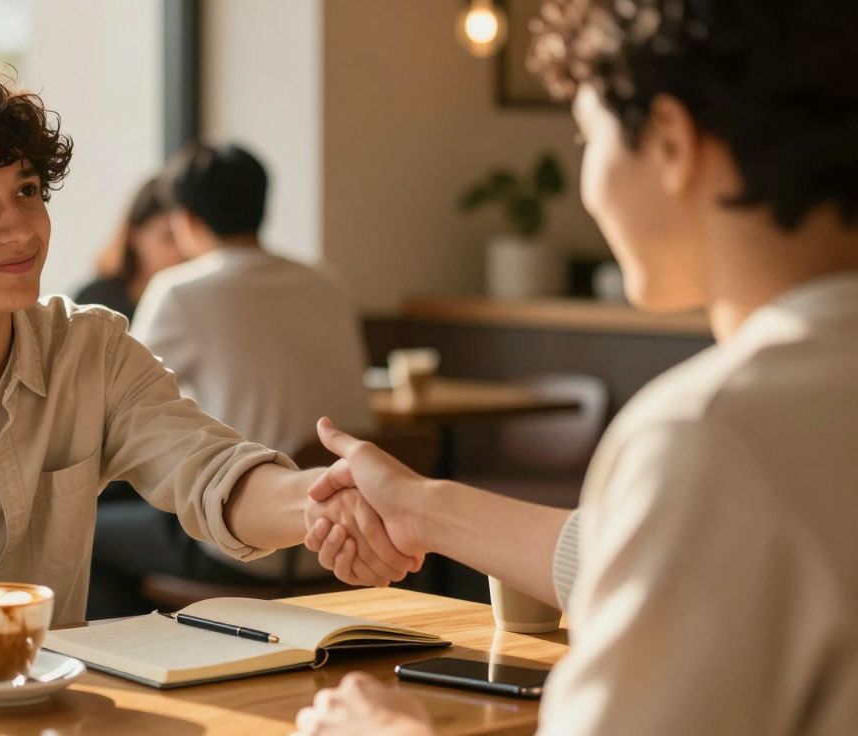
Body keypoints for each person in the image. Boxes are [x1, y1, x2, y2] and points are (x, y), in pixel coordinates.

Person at [0, 59, 418, 687]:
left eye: (28, 190)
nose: (22, 229)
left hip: (32, 704)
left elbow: (213, 473)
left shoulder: (90, 348)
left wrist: (327, 501)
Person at [296, 1, 858, 734]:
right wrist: (419, 507)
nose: (587, 184)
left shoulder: (708, 433)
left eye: (586, 136)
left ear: (669, 141)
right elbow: (678, 560)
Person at [87, 143, 378, 618]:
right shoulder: (326, 282)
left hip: (246, 543)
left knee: (85, 534)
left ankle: (135, 662)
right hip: (347, 535)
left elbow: (115, 403)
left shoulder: (182, 292)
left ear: (187, 219)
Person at [72, 176, 183, 320]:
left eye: (186, 237)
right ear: (134, 235)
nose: (182, 250)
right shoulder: (94, 301)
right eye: (169, 238)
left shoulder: (193, 297)